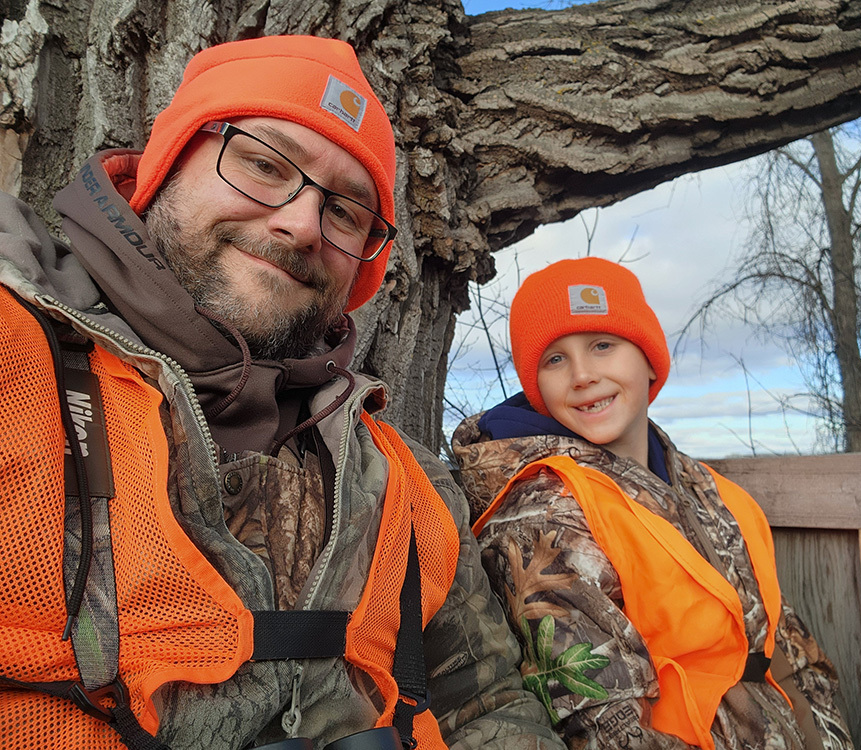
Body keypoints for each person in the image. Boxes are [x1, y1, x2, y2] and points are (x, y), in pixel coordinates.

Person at [0, 35, 567, 750]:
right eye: (264, 165)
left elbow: (487, 702)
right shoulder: (16, 360)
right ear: (167, 166)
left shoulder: (406, 484)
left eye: (345, 212)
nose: (301, 224)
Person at [452, 257, 855, 750]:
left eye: (603, 345)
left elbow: (794, 656)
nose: (582, 375)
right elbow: (604, 729)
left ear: (648, 358)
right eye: (554, 359)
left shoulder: (715, 493)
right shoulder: (545, 517)